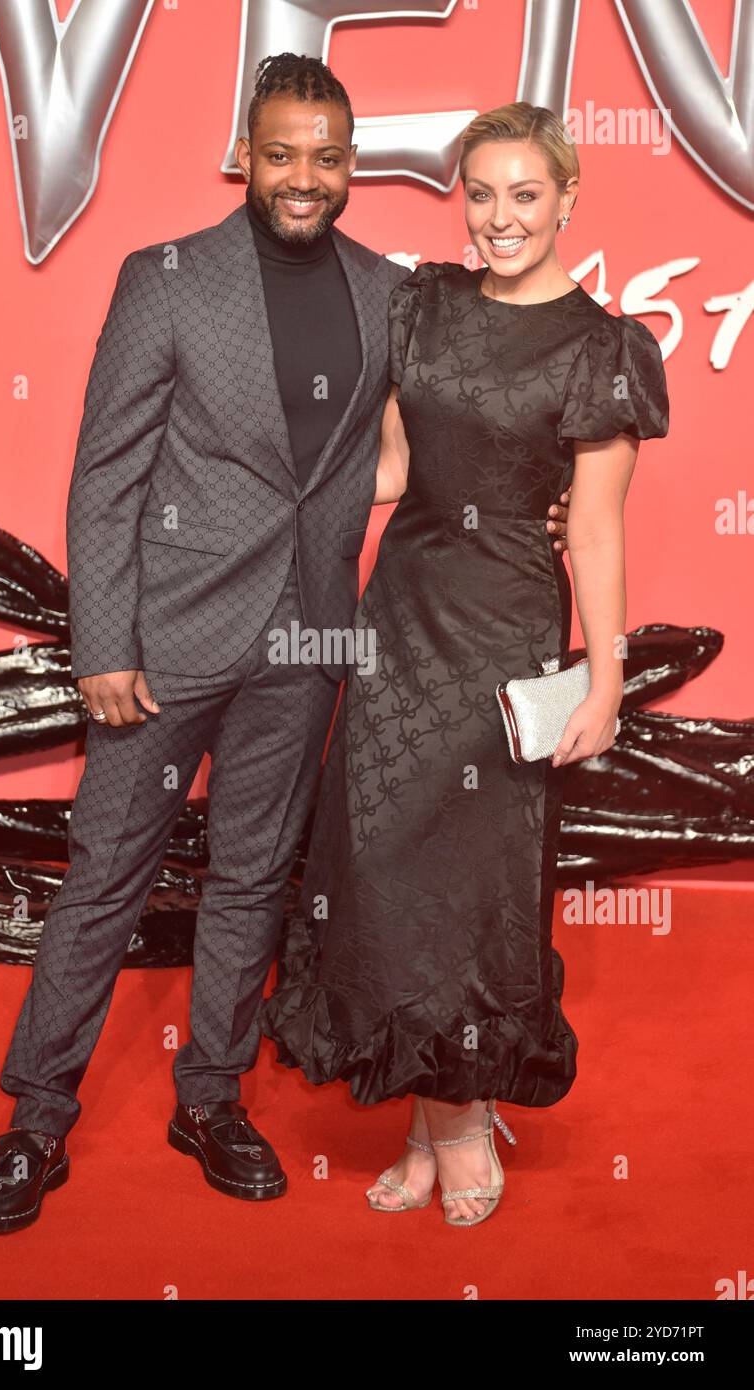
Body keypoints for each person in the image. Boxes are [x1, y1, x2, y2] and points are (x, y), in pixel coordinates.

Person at [0, 64, 570, 1234]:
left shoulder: (385, 291)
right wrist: (103, 645)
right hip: (163, 646)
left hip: (303, 643)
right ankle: (34, 1120)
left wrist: (536, 498)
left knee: (247, 880)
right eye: (283, 154)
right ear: (247, 154)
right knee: (103, 882)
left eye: (327, 156)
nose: (304, 177)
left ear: (350, 163)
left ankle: (210, 1097)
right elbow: (106, 475)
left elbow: (462, 413)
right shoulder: (166, 282)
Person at [260, 101, 670, 1227]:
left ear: (567, 198)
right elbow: (391, 468)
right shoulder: (422, 302)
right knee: (381, 867)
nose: (498, 218)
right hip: (399, 616)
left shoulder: (600, 345)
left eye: (523, 194)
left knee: (473, 884)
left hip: (499, 632)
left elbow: (591, 528)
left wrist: (607, 678)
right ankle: (439, 1115)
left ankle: (454, 1119)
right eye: (480, 194)